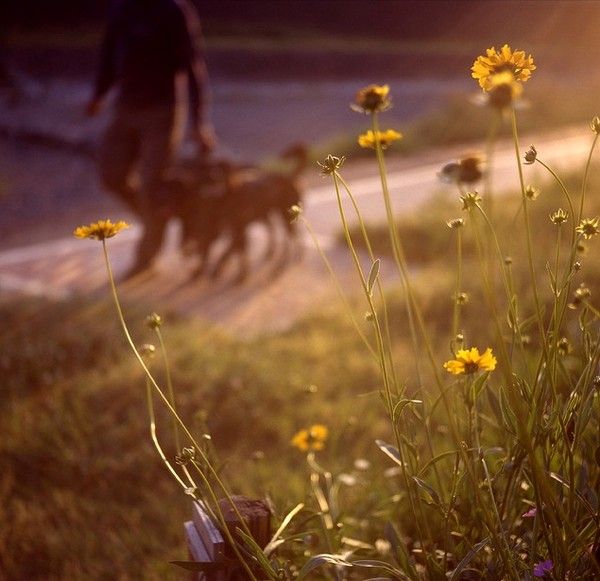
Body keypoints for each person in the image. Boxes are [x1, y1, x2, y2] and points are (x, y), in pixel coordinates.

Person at [86, 0, 214, 278]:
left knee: (151, 186)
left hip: (162, 110)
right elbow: (108, 54)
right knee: (112, 176)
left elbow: (192, 68)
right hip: (125, 106)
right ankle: (157, 219)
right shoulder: (121, 8)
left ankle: (145, 260)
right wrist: (99, 94)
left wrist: (199, 122)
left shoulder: (174, 11)